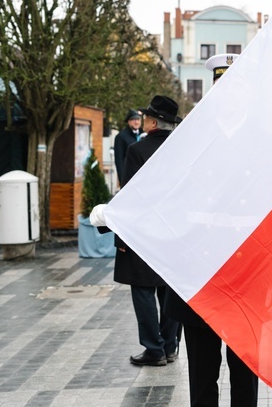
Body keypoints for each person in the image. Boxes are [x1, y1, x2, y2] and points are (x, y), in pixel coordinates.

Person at [163, 53, 259, 407]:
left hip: (247, 273)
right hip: (199, 273)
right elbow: (167, 195)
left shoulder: (265, 141)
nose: (228, 94)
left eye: (235, 87)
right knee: (202, 370)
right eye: (222, 86)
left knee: (244, 370)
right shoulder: (191, 137)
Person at [92, 96, 183, 366]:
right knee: (169, 289)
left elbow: (130, 198)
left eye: (146, 117)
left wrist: (121, 236)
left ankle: (154, 349)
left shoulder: (137, 150)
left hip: (143, 232)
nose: (142, 121)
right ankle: (170, 346)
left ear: (153, 122)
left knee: (143, 290)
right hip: (174, 232)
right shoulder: (182, 150)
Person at [113, 109, 143, 186]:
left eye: (138, 119)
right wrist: (123, 179)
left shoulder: (144, 134)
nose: (136, 122)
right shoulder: (121, 137)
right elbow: (119, 160)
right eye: (133, 119)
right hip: (129, 176)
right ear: (128, 121)